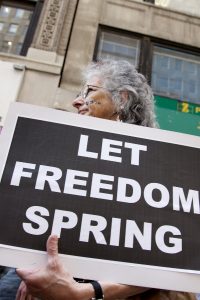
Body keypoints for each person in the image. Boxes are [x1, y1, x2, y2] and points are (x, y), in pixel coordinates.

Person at [2, 59, 196, 300]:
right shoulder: (61, 155)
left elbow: (172, 260)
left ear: (122, 99)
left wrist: (86, 293)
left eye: (90, 92)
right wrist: (33, 269)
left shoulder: (160, 164)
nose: (76, 101)